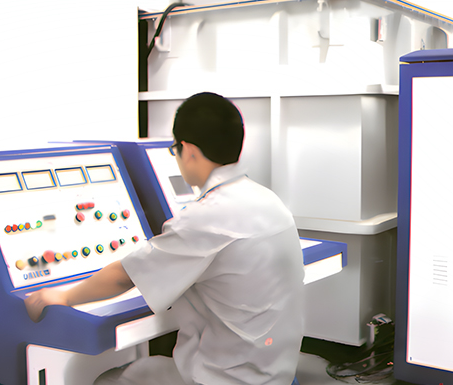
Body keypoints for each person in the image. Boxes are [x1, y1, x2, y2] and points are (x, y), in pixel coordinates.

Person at [24, 92, 305, 385]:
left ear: (188, 150)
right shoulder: (269, 201)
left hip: (226, 378)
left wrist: (62, 296)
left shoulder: (206, 216)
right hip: (276, 374)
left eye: (175, 150)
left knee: (111, 379)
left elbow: (123, 277)